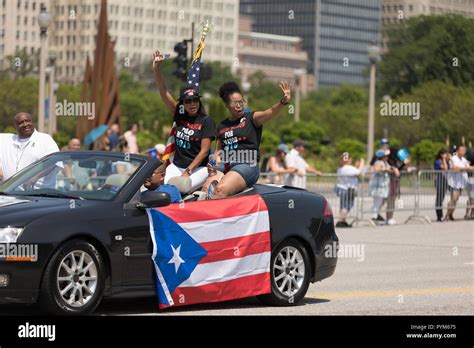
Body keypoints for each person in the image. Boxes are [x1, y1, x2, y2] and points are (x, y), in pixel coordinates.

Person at [205, 81, 291, 199]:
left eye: (241, 102)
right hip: (225, 164)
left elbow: (269, 112)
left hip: (246, 164)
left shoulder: (251, 118)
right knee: (206, 189)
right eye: (235, 103)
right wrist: (213, 163)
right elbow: (218, 152)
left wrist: (283, 102)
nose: (239, 105)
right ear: (226, 105)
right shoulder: (222, 126)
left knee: (219, 190)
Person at [153, 50, 215, 191]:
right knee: (167, 189)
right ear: (183, 104)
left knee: (182, 188)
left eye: (195, 100)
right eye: (188, 101)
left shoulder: (206, 121)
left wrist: (188, 171)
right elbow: (163, 91)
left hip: (198, 168)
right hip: (176, 166)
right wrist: (156, 68)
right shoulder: (179, 115)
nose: (192, 104)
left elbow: (204, 152)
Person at [0, 112, 59, 183]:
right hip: (8, 192)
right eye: (20, 123)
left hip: (37, 192)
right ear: (15, 126)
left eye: (27, 121)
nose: (25, 124)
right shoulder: (6, 139)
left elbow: (53, 162)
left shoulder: (45, 139)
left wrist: (36, 175)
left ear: (32, 122)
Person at [335, 153, 364, 228]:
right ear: (348, 159)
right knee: (347, 205)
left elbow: (353, 172)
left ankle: (342, 220)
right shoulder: (348, 167)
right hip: (348, 189)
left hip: (343, 188)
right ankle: (340, 221)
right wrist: (361, 164)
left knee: (343, 206)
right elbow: (358, 173)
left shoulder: (341, 167)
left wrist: (357, 167)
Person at [446, 145, 474, 221]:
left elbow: (471, 168)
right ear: (458, 151)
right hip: (453, 182)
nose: (463, 152)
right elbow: (454, 168)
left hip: (460, 182)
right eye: (462, 150)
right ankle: (447, 215)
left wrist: (463, 168)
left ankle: (450, 214)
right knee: (454, 199)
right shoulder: (453, 158)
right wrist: (465, 168)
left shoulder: (464, 159)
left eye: (464, 151)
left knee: (456, 199)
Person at [369, 149, 395, 223]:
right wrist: (385, 169)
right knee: (377, 202)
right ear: (382, 156)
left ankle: (375, 216)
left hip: (381, 187)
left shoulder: (384, 162)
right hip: (378, 187)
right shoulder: (379, 162)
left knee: (378, 202)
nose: (387, 157)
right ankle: (374, 217)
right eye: (385, 156)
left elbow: (390, 169)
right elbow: (377, 169)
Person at [385, 146, 407, 225]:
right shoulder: (390, 160)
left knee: (392, 200)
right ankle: (388, 218)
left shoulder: (393, 160)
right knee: (390, 200)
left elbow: (398, 170)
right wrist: (404, 164)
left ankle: (390, 218)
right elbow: (397, 172)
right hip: (391, 181)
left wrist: (404, 164)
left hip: (395, 181)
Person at [433, 149, 450, 222]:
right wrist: (443, 159)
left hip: (445, 181)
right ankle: (439, 216)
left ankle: (441, 215)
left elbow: (450, 167)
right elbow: (445, 168)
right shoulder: (437, 162)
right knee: (439, 199)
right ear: (441, 155)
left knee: (441, 198)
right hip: (439, 180)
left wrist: (449, 159)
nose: (446, 155)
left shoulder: (447, 162)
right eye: (445, 154)